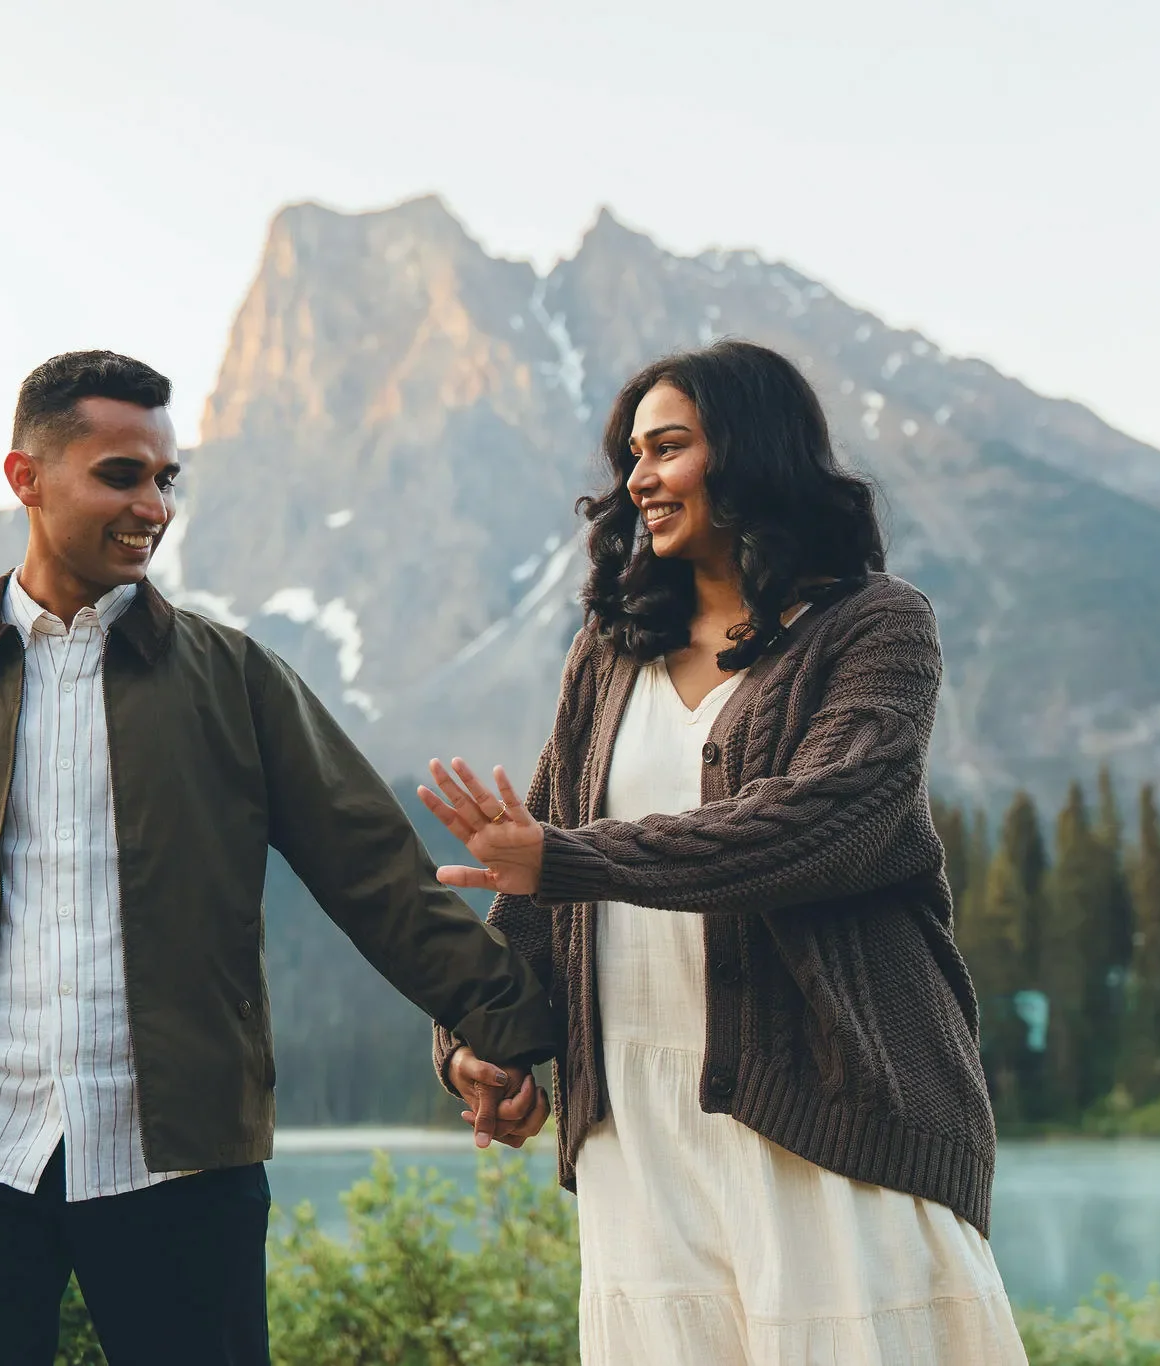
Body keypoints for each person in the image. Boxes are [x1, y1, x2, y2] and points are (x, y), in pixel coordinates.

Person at [0, 350, 560, 1366]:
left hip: (179, 1162)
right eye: (119, 474)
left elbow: (377, 879)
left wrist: (516, 1028)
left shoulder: (236, 678)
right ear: (25, 479)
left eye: (166, 478)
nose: (153, 506)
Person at [422, 341, 1026, 1364]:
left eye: (666, 447)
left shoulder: (873, 628)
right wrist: (478, 1048)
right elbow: (533, 896)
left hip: (826, 1105)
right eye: (629, 456)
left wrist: (563, 858)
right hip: (635, 1132)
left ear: (747, 454)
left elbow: (822, 822)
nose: (638, 479)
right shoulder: (608, 655)